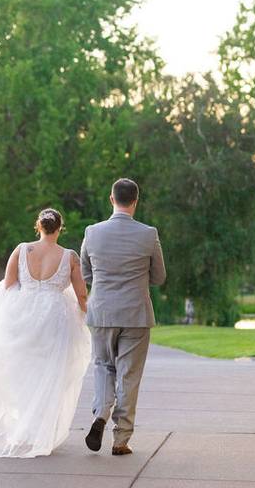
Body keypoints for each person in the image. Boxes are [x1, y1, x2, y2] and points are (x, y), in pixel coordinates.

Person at [0, 208, 91, 457]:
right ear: (60, 228)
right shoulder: (69, 256)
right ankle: (37, 432)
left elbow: (9, 285)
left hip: (21, 317)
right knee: (48, 374)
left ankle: (22, 427)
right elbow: (81, 294)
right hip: (54, 318)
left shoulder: (22, 250)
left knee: (20, 372)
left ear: (38, 226)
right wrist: (86, 314)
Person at [81, 178, 167, 456]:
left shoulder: (92, 232)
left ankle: (100, 414)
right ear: (135, 201)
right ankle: (121, 439)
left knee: (103, 366)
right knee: (129, 375)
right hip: (136, 314)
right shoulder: (148, 233)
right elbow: (159, 276)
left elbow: (86, 273)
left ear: (111, 199)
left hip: (102, 311)